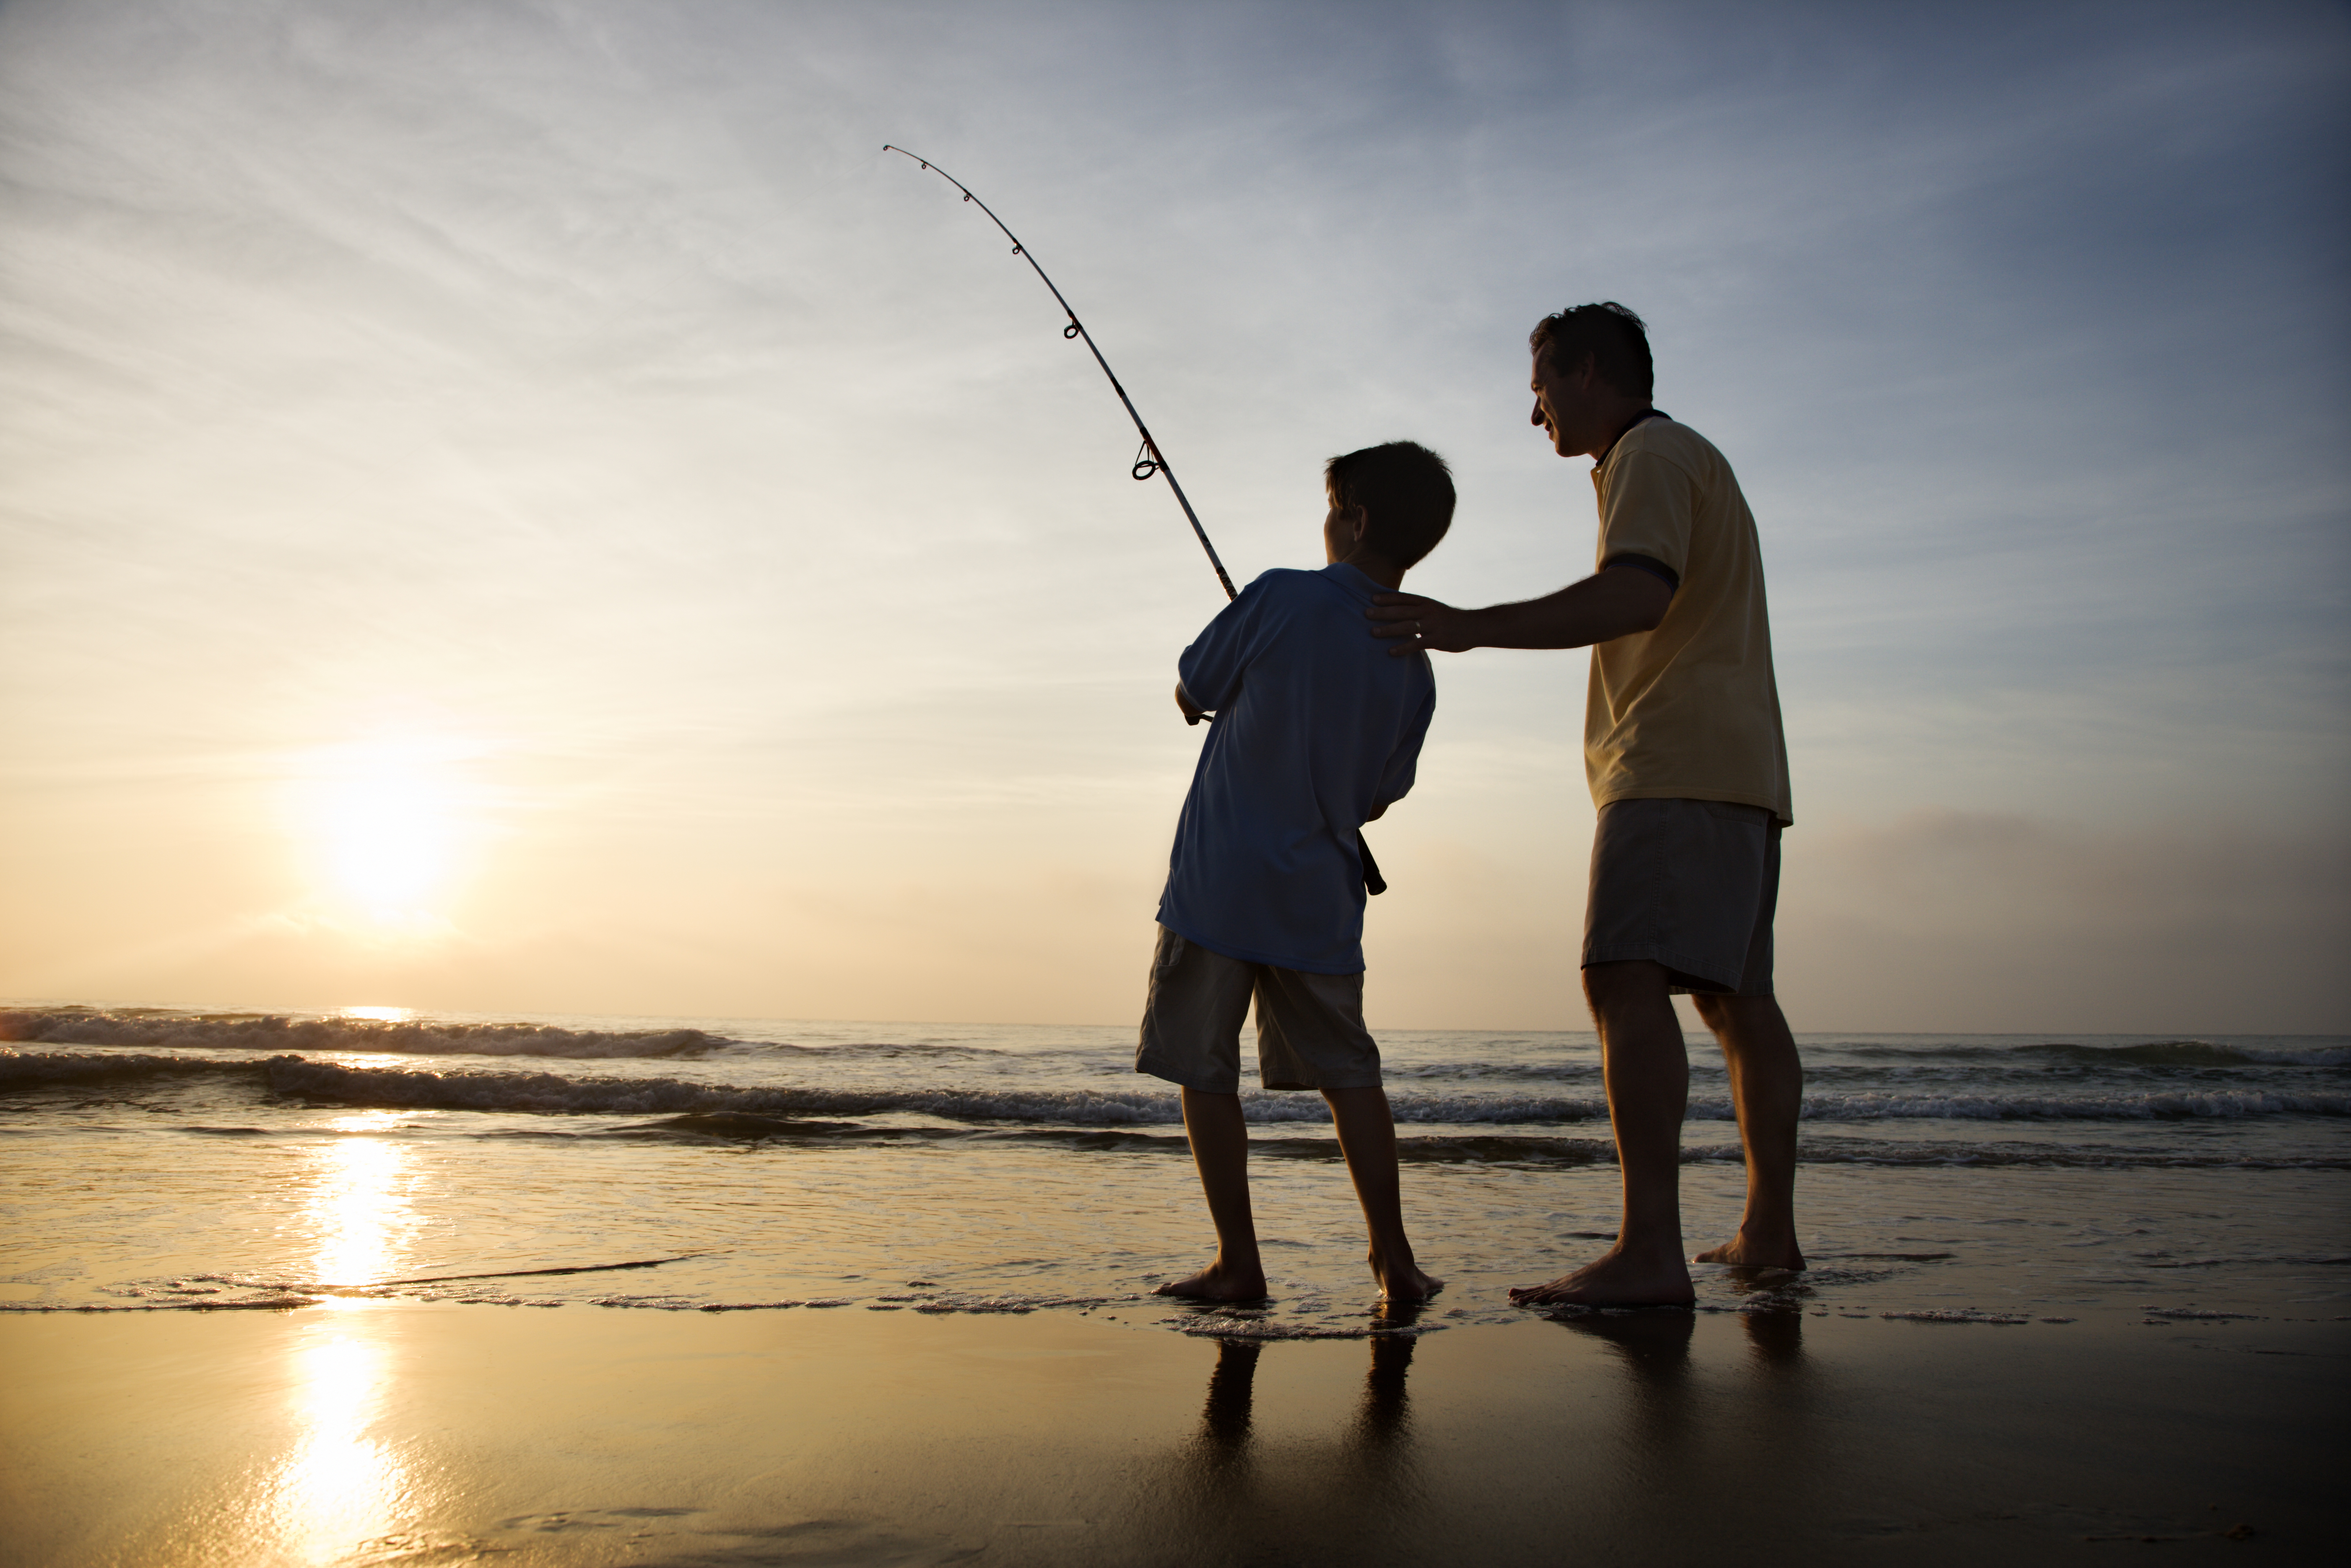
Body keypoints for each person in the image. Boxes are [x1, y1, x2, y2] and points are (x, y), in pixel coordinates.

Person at [1366, 303, 1803, 1307]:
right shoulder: (1694, 457)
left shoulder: (1647, 455)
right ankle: (1767, 1234)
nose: (1535, 417)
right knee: (1736, 1001)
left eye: (1540, 390)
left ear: (1590, 372)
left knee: (1618, 976)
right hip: (1741, 769)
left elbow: (1634, 595)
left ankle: (1649, 1250)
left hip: (1672, 761)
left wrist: (1469, 626)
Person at [1140, 440, 1452, 1304]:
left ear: (1350, 521)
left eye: (1330, 510)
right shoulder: (1414, 664)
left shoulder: (1281, 594)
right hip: (1318, 895)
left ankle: (1239, 1263)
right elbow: (1381, 794)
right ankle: (1393, 1258)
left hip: (1217, 884)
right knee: (1349, 1074)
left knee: (1204, 1069)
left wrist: (1201, 696)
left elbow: (1192, 683)